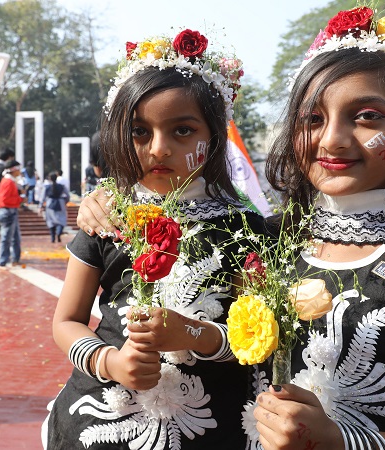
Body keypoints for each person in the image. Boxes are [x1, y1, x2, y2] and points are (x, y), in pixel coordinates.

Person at [77, 8, 385, 449]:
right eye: (312, 119)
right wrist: (104, 200)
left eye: (367, 116)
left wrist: (344, 442)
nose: (332, 139)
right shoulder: (270, 239)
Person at [44, 28, 261, 450]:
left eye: (182, 131)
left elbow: (256, 338)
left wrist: (195, 335)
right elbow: (66, 321)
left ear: (213, 137)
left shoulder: (248, 229)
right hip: (101, 421)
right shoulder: (105, 217)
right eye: (140, 132)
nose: (159, 149)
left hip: (212, 430)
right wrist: (111, 362)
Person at [0, 160, 24, 266]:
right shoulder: (8, 182)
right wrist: (20, 200)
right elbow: (5, 199)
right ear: (14, 170)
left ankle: (15, 258)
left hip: (11, 210)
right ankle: (3, 260)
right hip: (8, 211)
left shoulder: (10, 181)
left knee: (15, 237)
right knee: (6, 238)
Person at [40, 172, 69, 243]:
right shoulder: (62, 186)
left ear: (49, 178)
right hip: (60, 202)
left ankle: (52, 237)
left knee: (50, 221)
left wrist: (40, 206)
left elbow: (42, 197)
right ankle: (59, 233)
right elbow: (67, 195)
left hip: (50, 203)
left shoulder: (46, 187)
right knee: (61, 220)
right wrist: (65, 201)